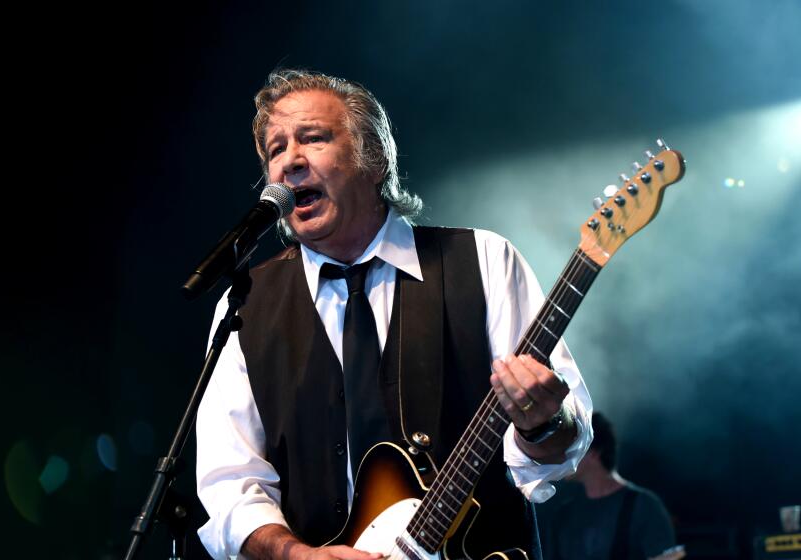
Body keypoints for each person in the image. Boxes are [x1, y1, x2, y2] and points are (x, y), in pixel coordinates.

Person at [195, 68, 593, 560]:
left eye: (313, 138)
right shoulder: (247, 304)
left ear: (375, 158)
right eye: (276, 149)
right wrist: (294, 555)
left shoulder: (483, 261)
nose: (289, 162)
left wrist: (544, 423)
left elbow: (560, 449)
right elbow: (229, 481)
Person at [538, 412, 677, 560]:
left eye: (569, 448)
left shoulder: (644, 506)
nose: (561, 457)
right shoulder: (562, 515)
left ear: (594, 452)